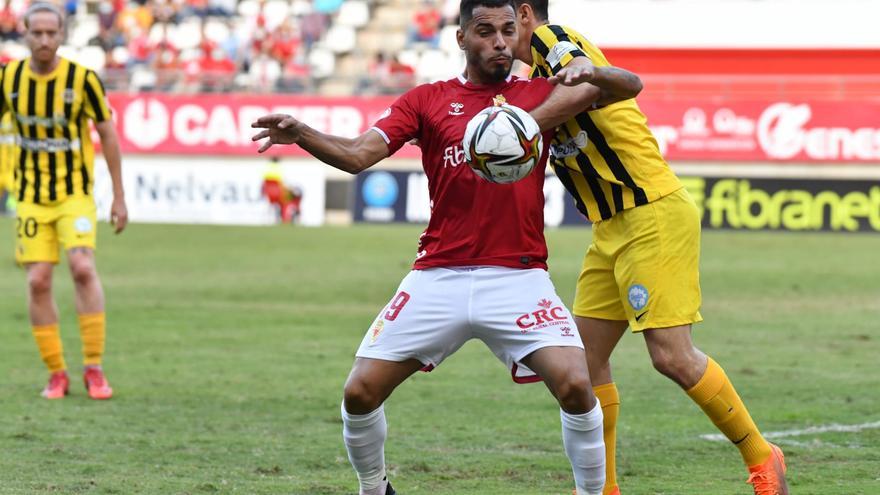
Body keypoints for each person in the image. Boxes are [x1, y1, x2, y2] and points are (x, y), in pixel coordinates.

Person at [252, 1, 610, 493]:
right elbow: (359, 155)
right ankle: (374, 489)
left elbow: (609, 86)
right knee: (359, 392)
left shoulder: (537, 94)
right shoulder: (427, 100)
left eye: (508, 30)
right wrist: (303, 134)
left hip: (519, 275)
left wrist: (582, 74)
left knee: (575, 385)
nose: (500, 42)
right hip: (437, 275)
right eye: (485, 31)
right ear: (461, 38)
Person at [509, 1, 790, 494]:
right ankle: (607, 488)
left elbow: (591, 82)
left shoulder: (550, 39)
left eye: (504, 27)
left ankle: (762, 458)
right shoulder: (528, 76)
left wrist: (526, 122)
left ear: (526, 15)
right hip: (609, 227)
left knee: (672, 357)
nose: (497, 40)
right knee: (584, 364)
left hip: (650, 211)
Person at [1, 2, 128, 400]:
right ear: (24, 33)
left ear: (61, 35)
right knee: (38, 280)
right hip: (31, 198)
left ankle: (94, 368)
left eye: (50, 33)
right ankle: (57, 373)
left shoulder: (83, 79)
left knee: (82, 268)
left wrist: (119, 196)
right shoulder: (9, 78)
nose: (43, 40)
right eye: (36, 33)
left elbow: (107, 134)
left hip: (74, 195)